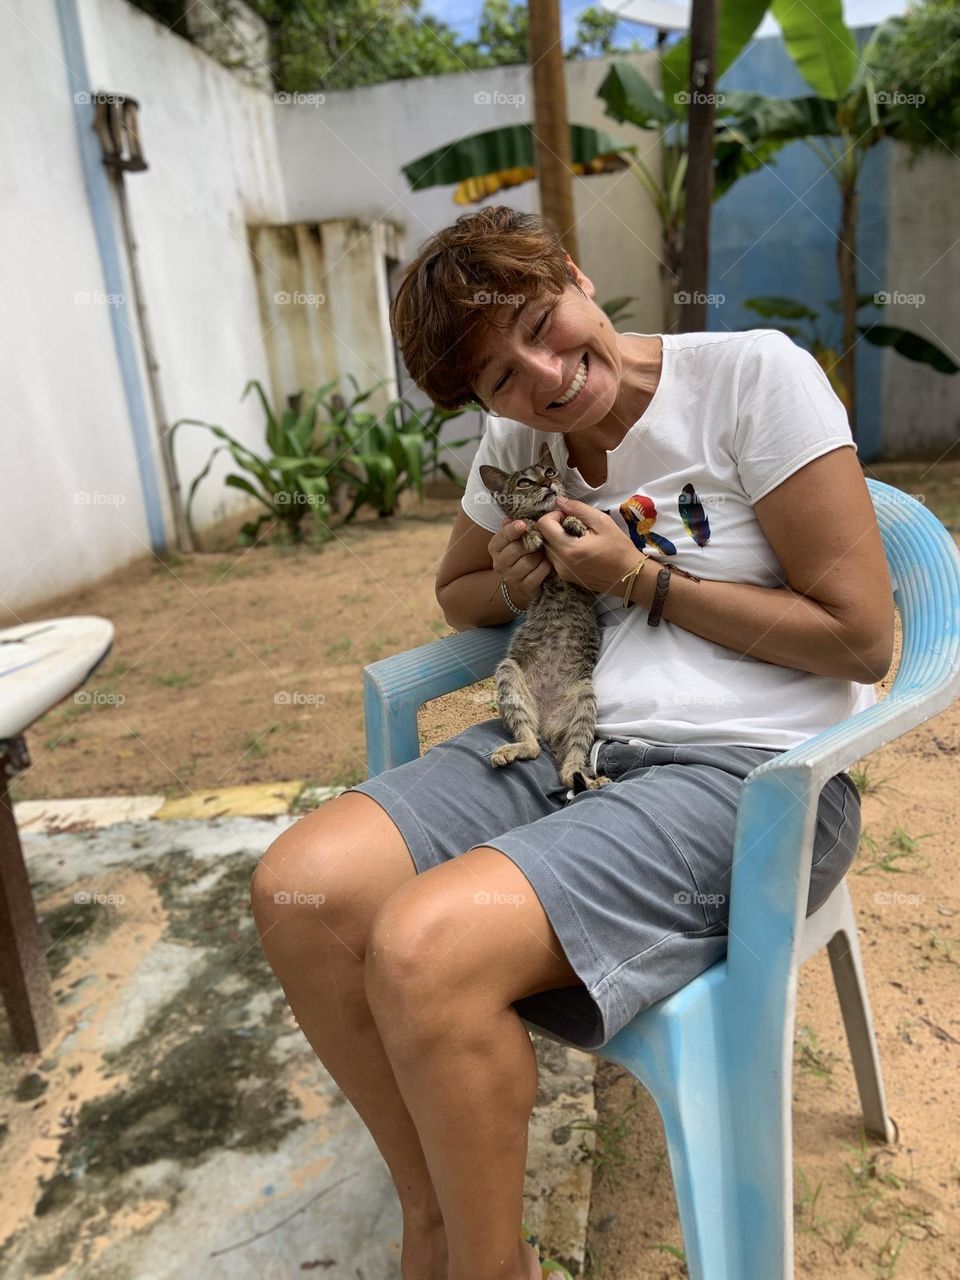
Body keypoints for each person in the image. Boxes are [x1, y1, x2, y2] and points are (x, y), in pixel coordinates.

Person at [250, 205, 895, 1280]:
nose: (546, 377)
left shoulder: (751, 378)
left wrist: (640, 579)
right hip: (567, 740)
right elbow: (458, 591)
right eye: (502, 377)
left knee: (422, 948)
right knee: (299, 890)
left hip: (751, 777)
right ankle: (441, 1220)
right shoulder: (523, 439)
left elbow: (860, 633)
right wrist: (510, 578)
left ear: (579, 276)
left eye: (548, 323)